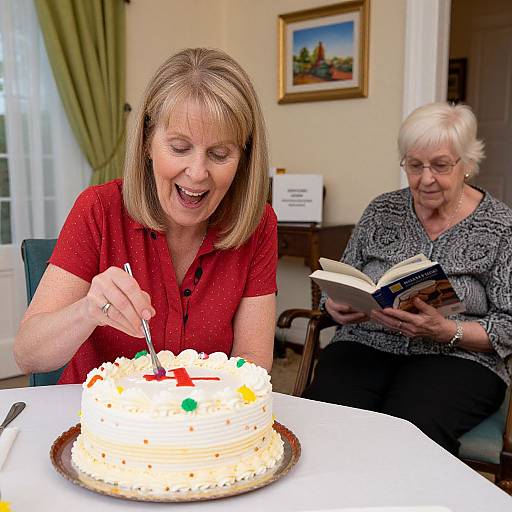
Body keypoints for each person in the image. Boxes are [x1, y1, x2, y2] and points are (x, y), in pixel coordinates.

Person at [14, 48, 277, 383]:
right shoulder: (98, 208)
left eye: (220, 154)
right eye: (180, 148)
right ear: (146, 144)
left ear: (244, 158)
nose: (197, 172)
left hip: (200, 426)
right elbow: (26, 354)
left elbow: (253, 361)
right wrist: (88, 311)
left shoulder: (259, 223)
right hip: (94, 425)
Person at [303, 102, 512, 455]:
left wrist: (446, 330)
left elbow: (509, 324)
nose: (425, 178)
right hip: (364, 343)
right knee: (327, 421)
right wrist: (337, 305)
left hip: (456, 357)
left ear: (467, 164)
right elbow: (340, 279)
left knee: (410, 432)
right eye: (414, 165)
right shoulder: (381, 210)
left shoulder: (500, 226)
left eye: (440, 165)